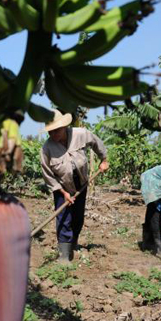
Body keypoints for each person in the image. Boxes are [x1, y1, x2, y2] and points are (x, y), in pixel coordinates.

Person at [40, 110, 109, 263]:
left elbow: (97, 143)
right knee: (64, 217)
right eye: (50, 131)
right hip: (61, 186)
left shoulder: (80, 134)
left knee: (78, 217)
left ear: (64, 126)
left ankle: (73, 242)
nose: (53, 134)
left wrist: (103, 159)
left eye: (56, 130)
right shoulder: (47, 149)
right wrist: (63, 192)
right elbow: (48, 174)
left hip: (81, 183)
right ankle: (64, 255)